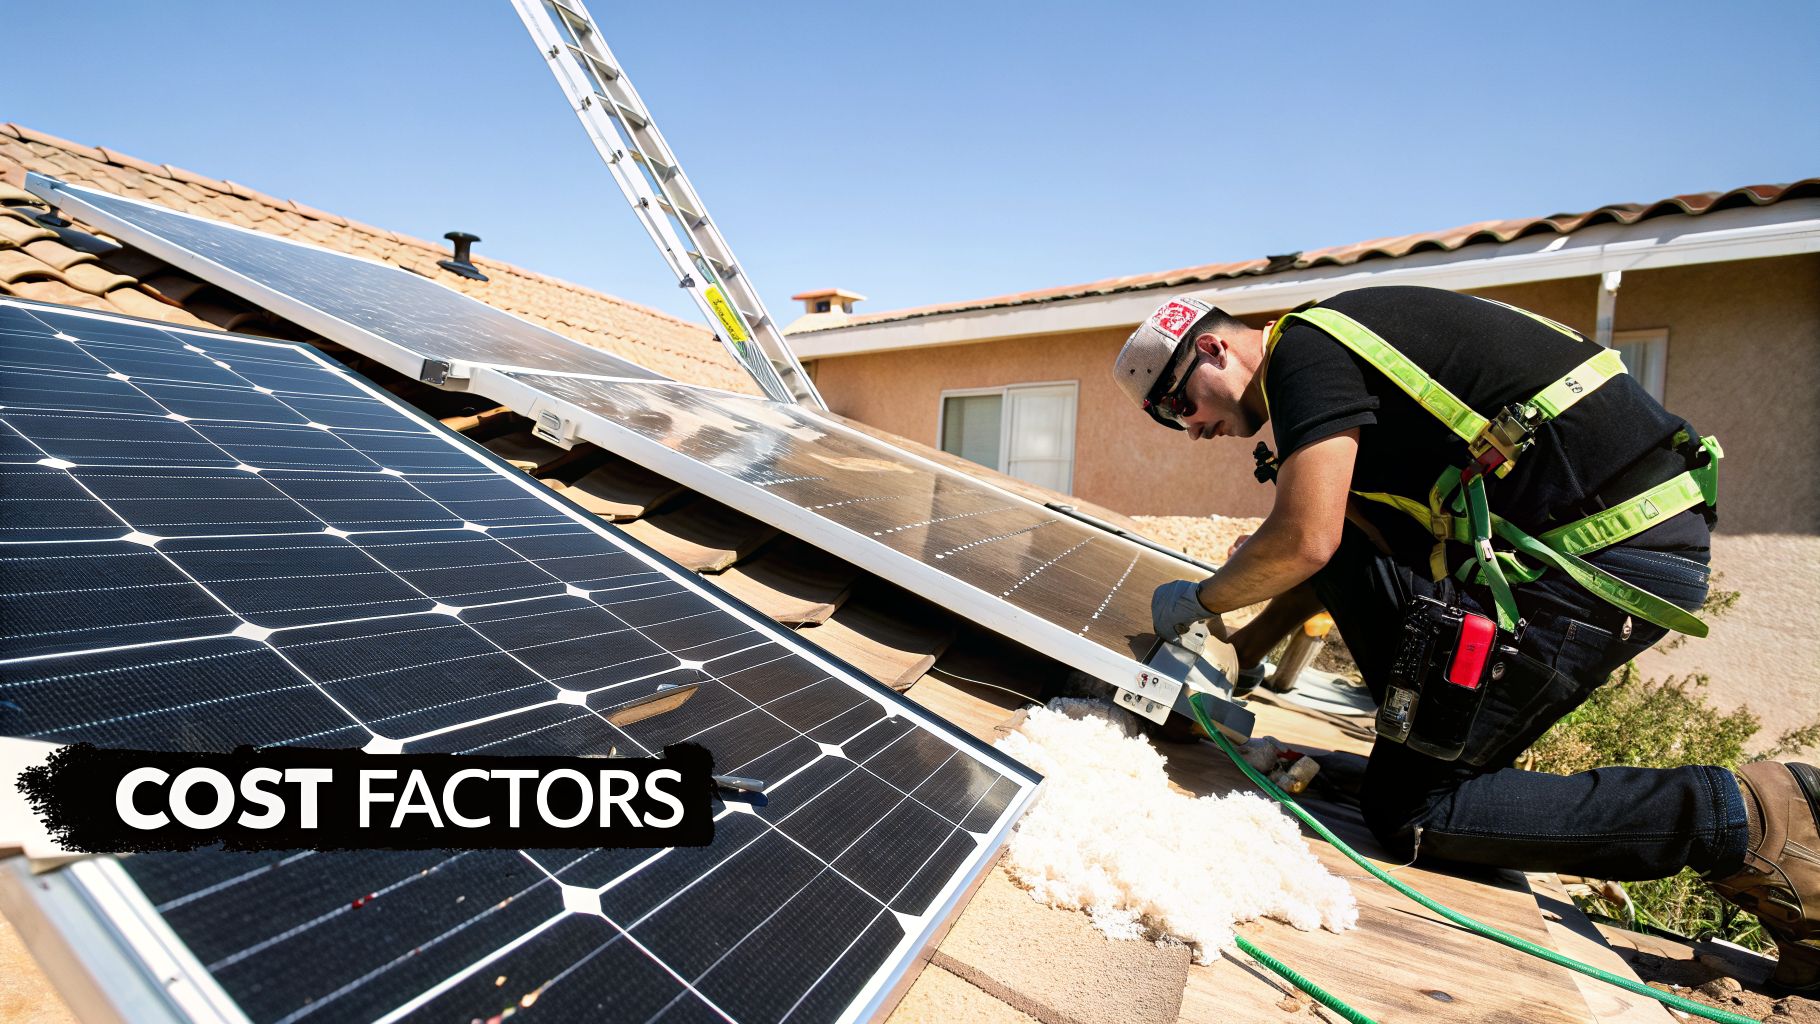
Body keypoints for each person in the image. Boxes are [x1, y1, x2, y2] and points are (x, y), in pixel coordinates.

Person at [1112, 285, 1820, 987]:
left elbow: (1304, 541)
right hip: (1583, 553)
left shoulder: (1306, 351)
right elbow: (1340, 552)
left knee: (1411, 811)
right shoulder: (1336, 350)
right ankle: (1418, 759)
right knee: (1409, 742)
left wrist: (1202, 600)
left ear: (1213, 347)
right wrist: (1241, 655)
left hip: (1601, 561)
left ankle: (1744, 819)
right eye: (1171, 423)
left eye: (1181, 405)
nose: (1192, 429)